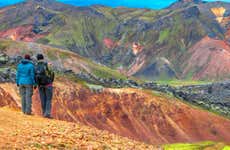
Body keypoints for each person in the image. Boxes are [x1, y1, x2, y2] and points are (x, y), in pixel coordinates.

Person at [35, 54, 55, 118]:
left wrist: (36, 84)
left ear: (37, 59)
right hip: (48, 84)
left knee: (42, 99)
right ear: (43, 58)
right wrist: (51, 81)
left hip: (40, 85)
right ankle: (47, 113)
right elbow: (52, 73)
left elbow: (34, 76)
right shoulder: (47, 65)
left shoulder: (36, 66)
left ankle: (44, 113)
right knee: (48, 99)